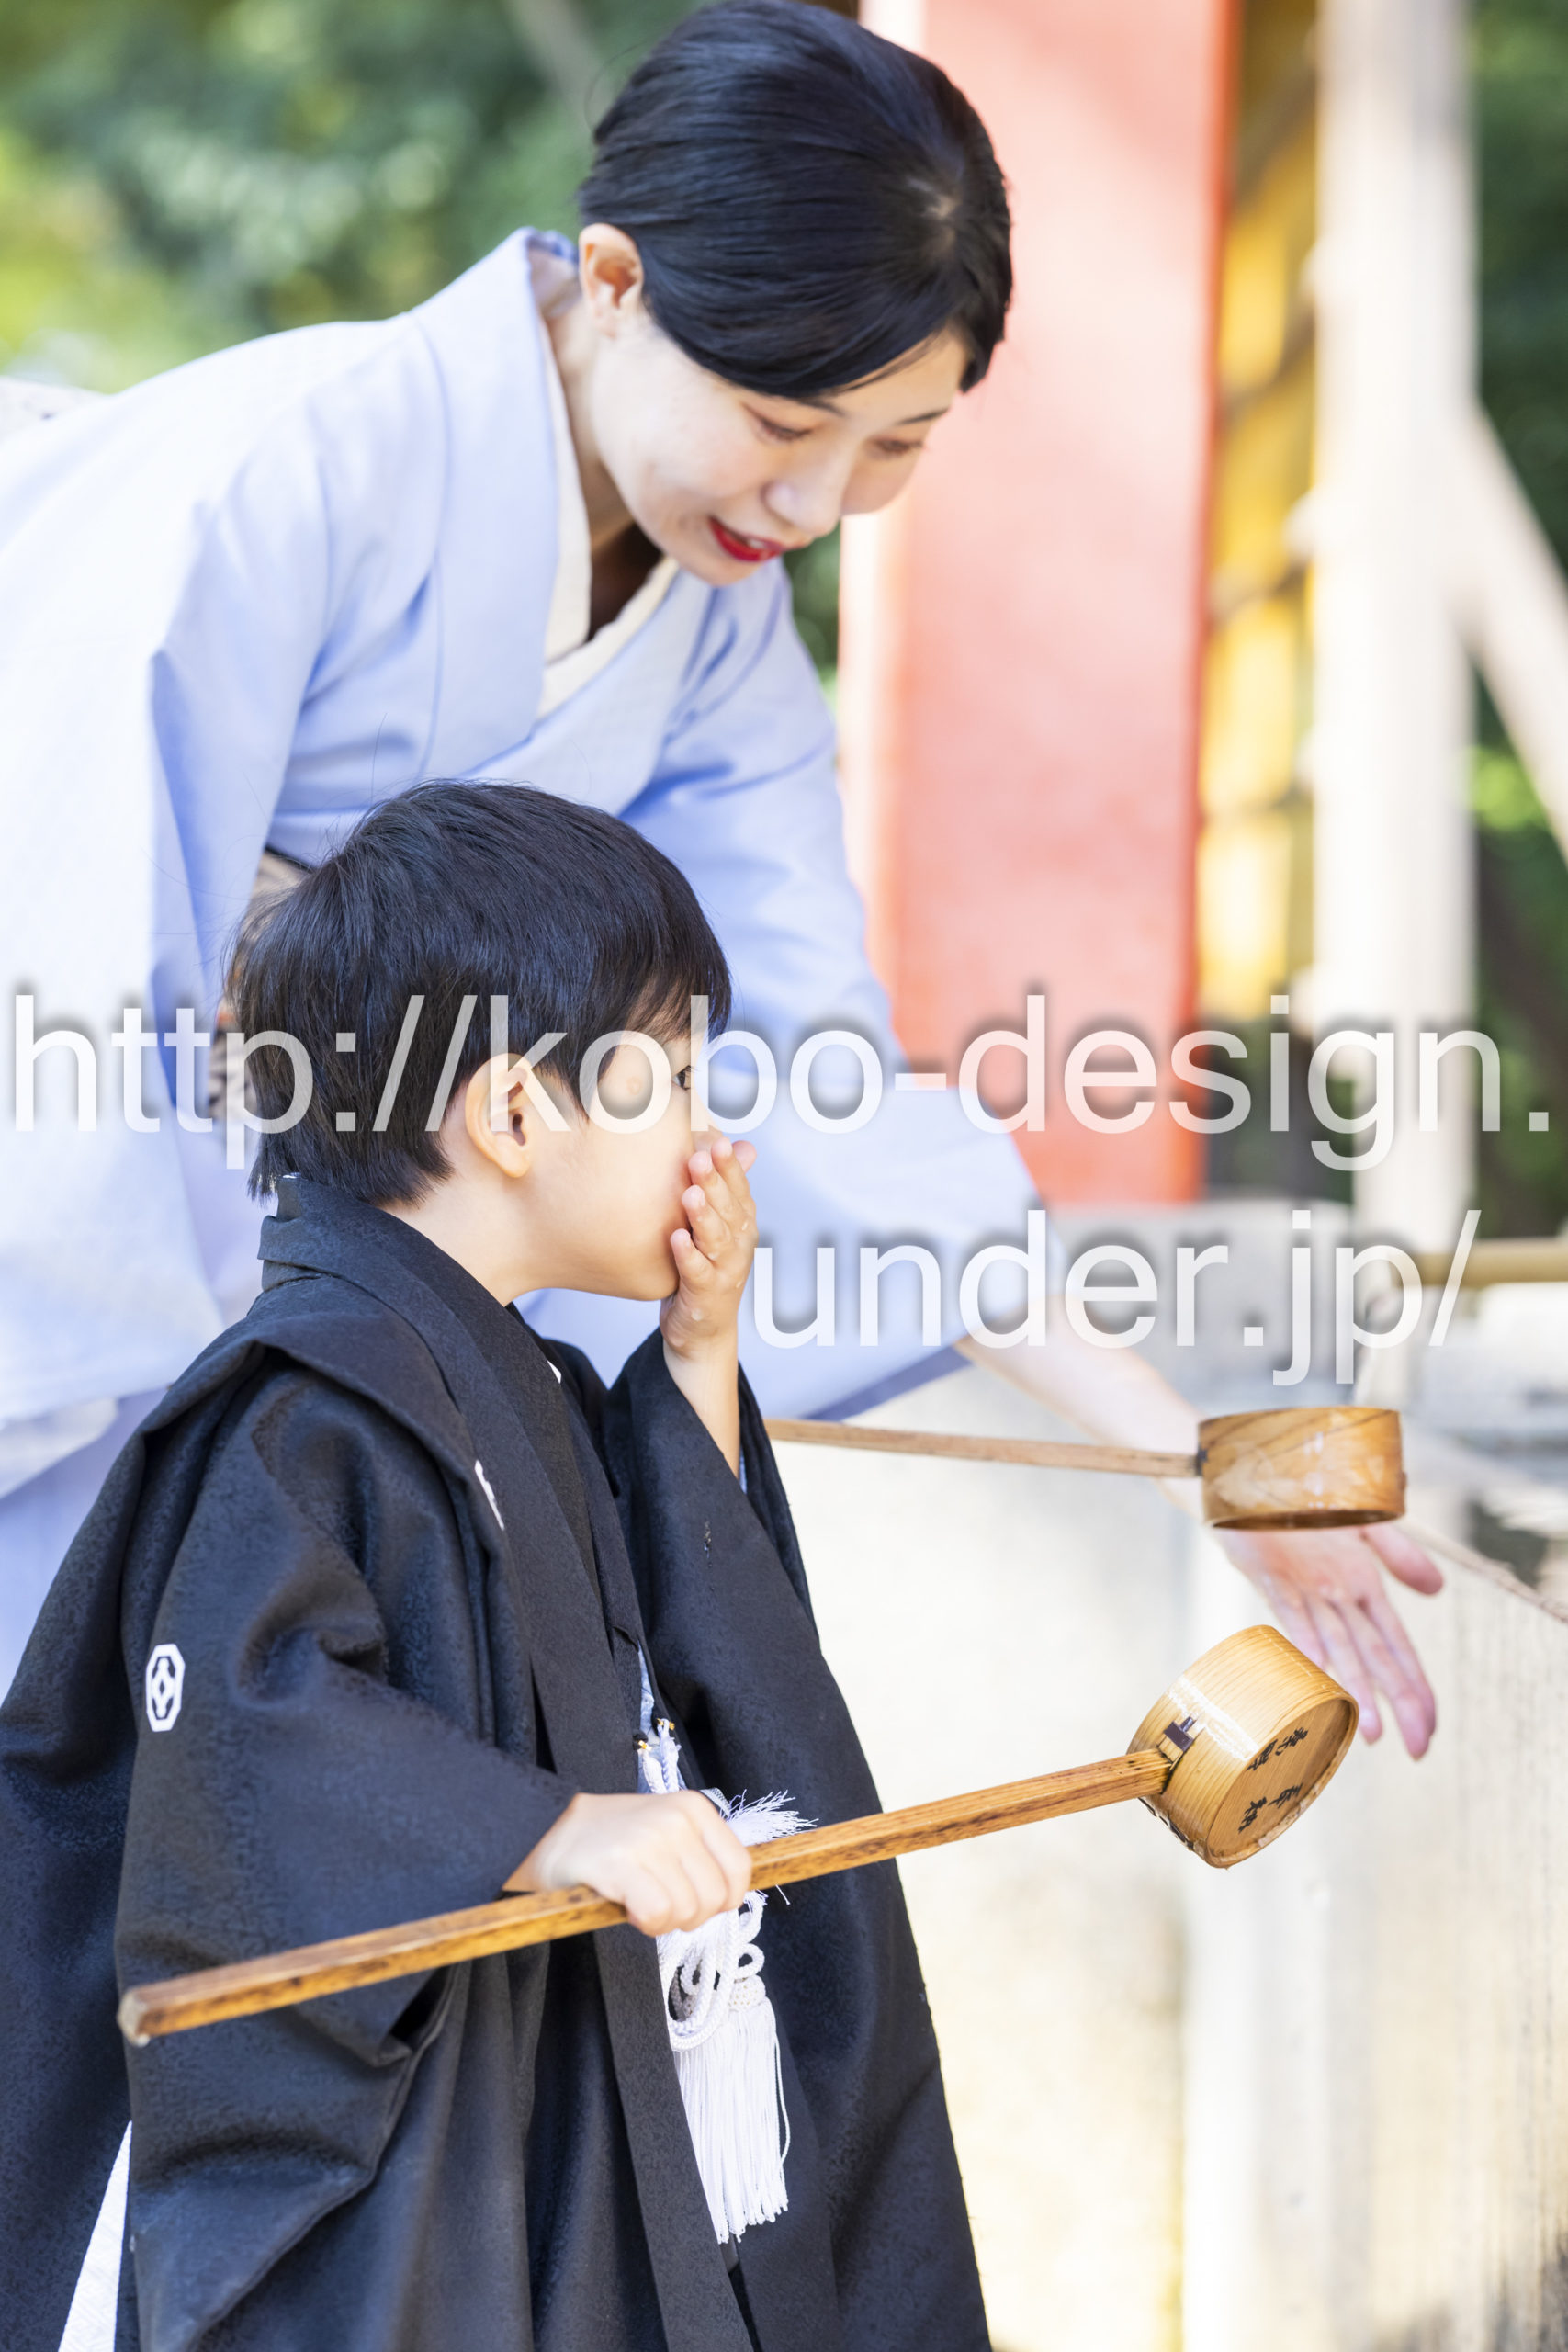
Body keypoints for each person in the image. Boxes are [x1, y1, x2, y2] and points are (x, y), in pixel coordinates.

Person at [0, 0, 1439, 1744]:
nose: (816, 504)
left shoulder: (716, 623)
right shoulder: (278, 468)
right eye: (780, 420)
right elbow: (73, 972)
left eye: (897, 445)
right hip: (105, 1281)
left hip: (319, 1306)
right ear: (614, 279)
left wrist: (1181, 1450)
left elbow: (813, 1062)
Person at [0, 782, 990, 2352]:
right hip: (432, 2172)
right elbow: (253, 1736)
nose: (710, 1132)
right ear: (518, 1115)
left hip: (571, 2097)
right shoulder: (296, 1409)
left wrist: (700, 1355)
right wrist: (549, 1828)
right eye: (673, 1077)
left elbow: (683, 1644)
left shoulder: (527, 1386)